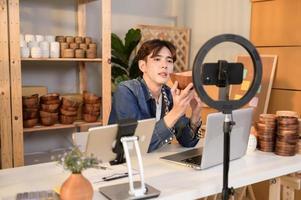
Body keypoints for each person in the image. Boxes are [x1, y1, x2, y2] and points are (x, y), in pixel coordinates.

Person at [109, 39, 202, 152]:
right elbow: (136, 145)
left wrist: (195, 115)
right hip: (123, 163)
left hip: (155, 161)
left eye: (169, 61)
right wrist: (176, 112)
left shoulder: (169, 93)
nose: (164, 66)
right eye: (157, 59)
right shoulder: (126, 91)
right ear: (143, 66)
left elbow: (187, 142)